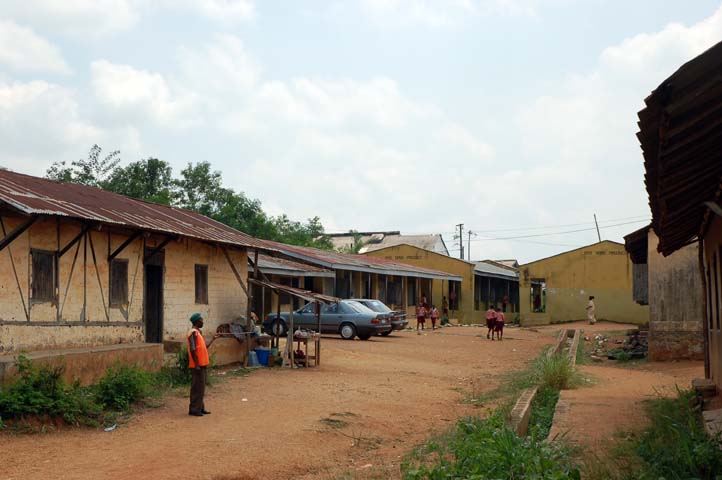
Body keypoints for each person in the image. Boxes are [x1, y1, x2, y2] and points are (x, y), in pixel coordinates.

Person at [188, 313, 220, 417]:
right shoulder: (193, 333)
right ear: (197, 321)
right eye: (201, 320)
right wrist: (196, 364)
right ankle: (194, 409)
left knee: (201, 387)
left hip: (202, 364)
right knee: (197, 387)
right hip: (197, 365)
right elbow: (192, 349)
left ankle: (200, 408)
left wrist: (213, 339)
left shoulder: (198, 333)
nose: (203, 322)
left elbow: (204, 347)